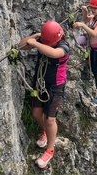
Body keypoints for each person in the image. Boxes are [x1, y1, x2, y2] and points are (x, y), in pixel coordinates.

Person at [17, 21, 69, 169]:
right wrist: (34, 37)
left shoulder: (63, 47)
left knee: (50, 119)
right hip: (40, 83)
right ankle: (45, 132)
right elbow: (20, 46)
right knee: (36, 113)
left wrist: (37, 43)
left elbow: (53, 53)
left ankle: (50, 150)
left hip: (55, 87)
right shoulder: (44, 41)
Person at [73, 0, 97, 104]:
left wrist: (82, 26)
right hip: (94, 49)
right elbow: (86, 19)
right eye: (92, 8)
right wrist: (85, 12)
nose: (93, 10)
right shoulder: (95, 18)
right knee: (94, 70)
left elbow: (94, 33)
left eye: (95, 8)